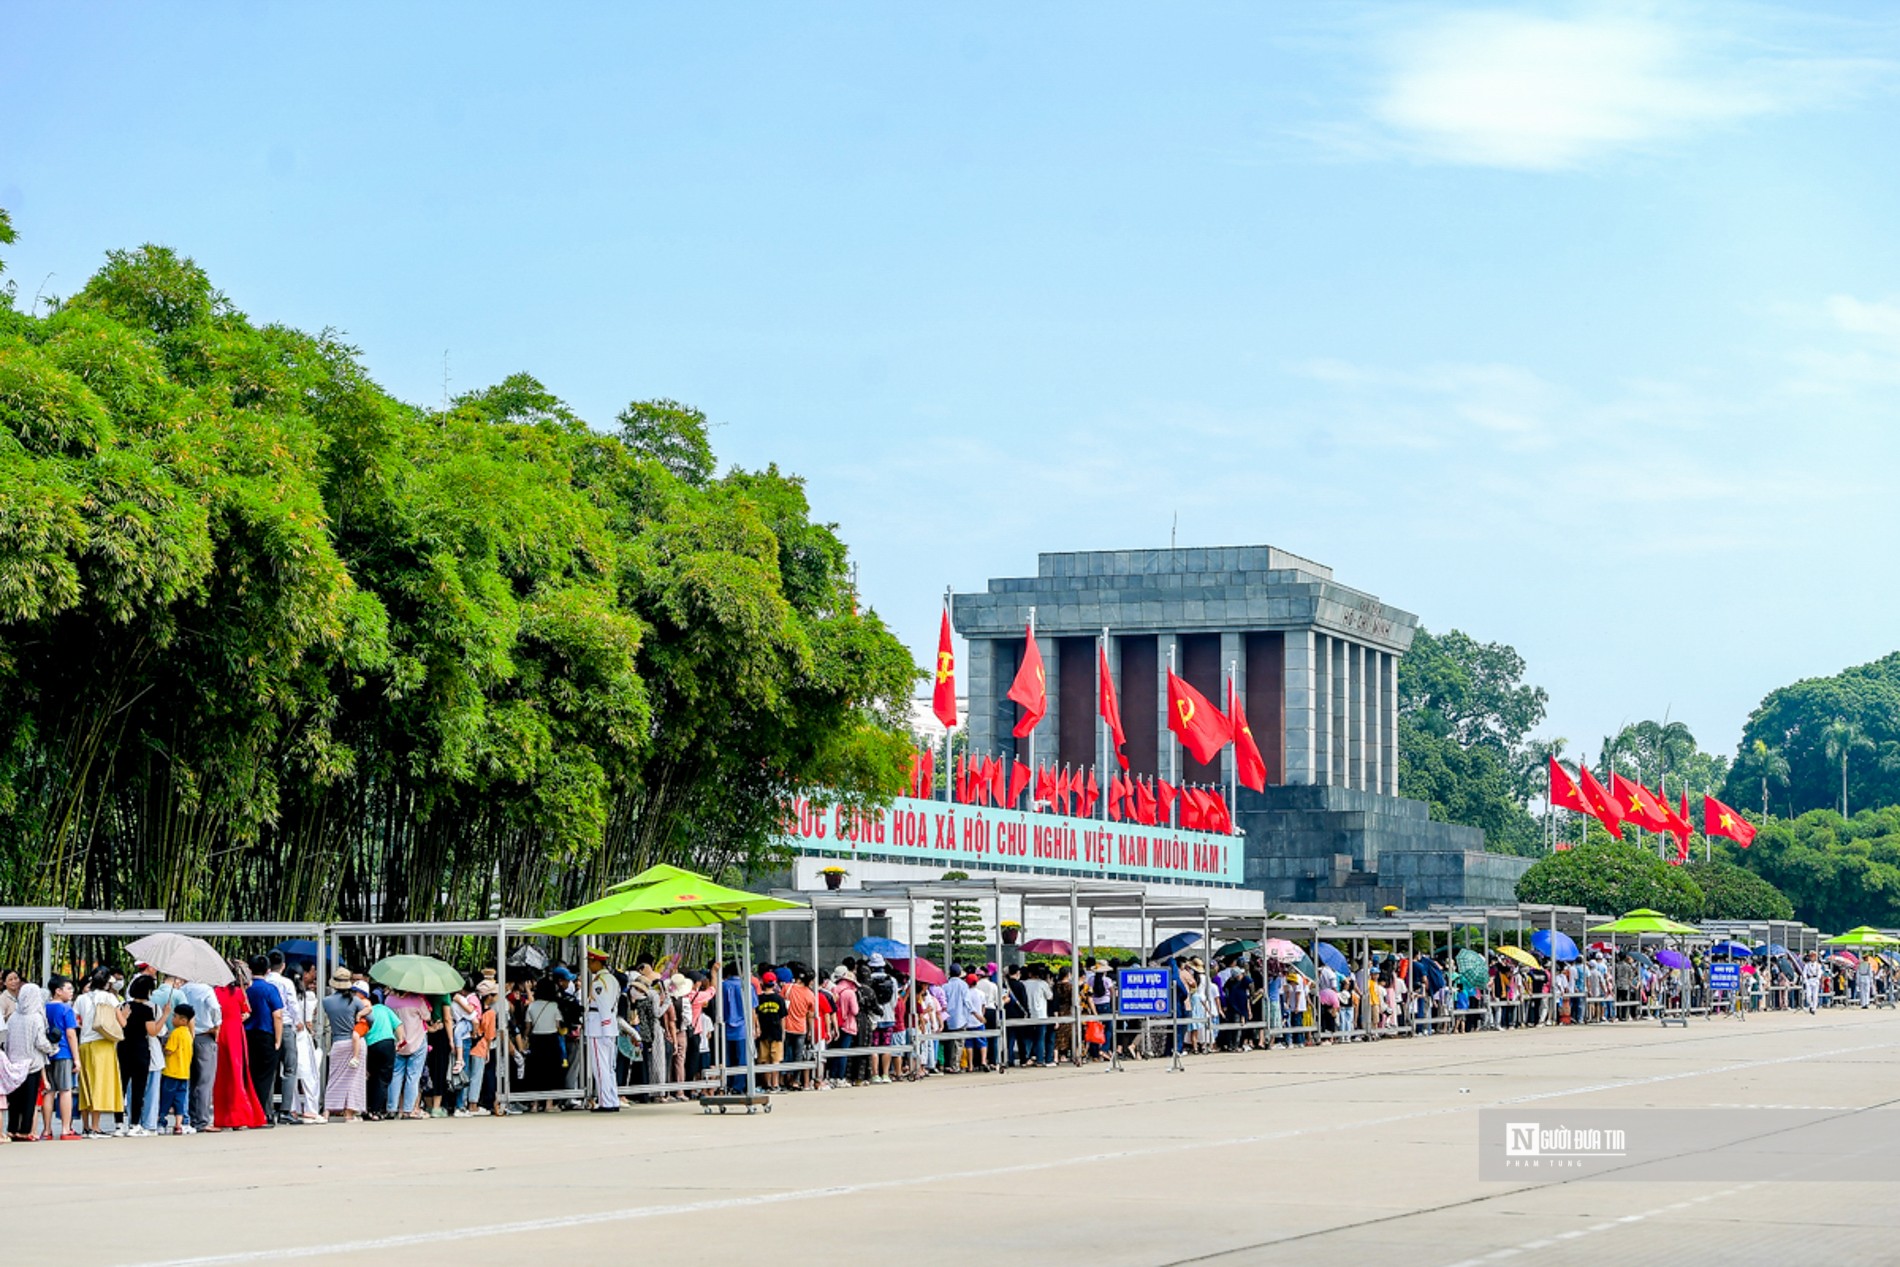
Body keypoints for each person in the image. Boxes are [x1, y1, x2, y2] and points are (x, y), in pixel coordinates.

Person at [213, 959, 268, 1130]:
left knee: (221, 1076)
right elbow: (247, 1011)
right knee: (238, 1075)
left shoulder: (214, 991)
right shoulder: (237, 992)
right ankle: (238, 1117)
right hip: (235, 1034)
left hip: (220, 1033)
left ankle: (221, 1117)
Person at [4, 982, 54, 1140]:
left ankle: (12, 1129)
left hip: (13, 1064)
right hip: (31, 1065)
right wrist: (52, 1048)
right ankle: (25, 1131)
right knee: (29, 1100)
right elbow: (40, 1042)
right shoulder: (36, 1018)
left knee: (15, 1101)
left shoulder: (13, 1017)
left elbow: (6, 1041)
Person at [320, 968, 368, 1122]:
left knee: (334, 1078)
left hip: (338, 1043)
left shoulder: (326, 1001)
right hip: (356, 1042)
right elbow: (371, 1018)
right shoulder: (355, 1001)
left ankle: (327, 1111)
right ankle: (349, 1114)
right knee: (355, 1079)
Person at [243, 954, 285, 1125]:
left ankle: (249, 1112)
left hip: (247, 1036)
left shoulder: (245, 989)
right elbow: (278, 1015)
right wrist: (278, 1039)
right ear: (268, 970)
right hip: (266, 1035)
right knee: (265, 1078)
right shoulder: (270, 989)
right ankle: (260, 1114)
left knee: (249, 1076)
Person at [180, 973, 222, 1132]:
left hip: (185, 1036)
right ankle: (202, 1120)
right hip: (204, 1036)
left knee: (188, 1079)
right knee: (204, 1081)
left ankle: (187, 1117)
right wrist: (216, 1025)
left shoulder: (182, 990)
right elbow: (215, 1008)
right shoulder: (206, 990)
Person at [40, 975, 79, 1140]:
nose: (71, 992)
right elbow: (71, 1034)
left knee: (49, 1091)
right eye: (68, 988)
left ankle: (47, 1130)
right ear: (58, 991)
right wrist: (76, 1058)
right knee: (65, 1090)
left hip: (47, 1054)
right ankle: (65, 1129)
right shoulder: (66, 1009)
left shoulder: (44, 1008)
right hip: (64, 1053)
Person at [361, 985, 400, 1120]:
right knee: (383, 1079)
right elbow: (398, 1025)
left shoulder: (364, 1011)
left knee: (371, 1077)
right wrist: (401, 1041)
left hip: (370, 1046)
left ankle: (367, 1108)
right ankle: (377, 1110)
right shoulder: (385, 1009)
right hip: (387, 1043)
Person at [159, 1003, 196, 1135]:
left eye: (175, 1016)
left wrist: (163, 1047)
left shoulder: (175, 1033)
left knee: (166, 1098)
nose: (172, 1019)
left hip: (171, 1072)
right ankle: (179, 1124)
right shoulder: (189, 1035)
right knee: (180, 1100)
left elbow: (169, 1050)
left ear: (183, 1020)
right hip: (184, 1073)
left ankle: (161, 1122)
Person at [755, 972, 787, 1091]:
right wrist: (783, 1032)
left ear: (762, 983)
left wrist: (757, 1028)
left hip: (763, 1033)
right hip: (776, 1032)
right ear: (774, 984)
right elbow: (783, 1018)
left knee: (764, 1060)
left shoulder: (759, 999)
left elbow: (756, 1015)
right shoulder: (779, 999)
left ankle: (766, 1084)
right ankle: (775, 1084)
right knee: (776, 1060)